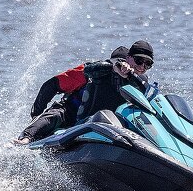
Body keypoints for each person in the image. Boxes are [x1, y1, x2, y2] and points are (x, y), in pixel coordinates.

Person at [13, 40, 155, 145]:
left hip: (105, 126)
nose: (142, 66)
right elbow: (50, 86)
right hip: (70, 116)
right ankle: (25, 139)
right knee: (55, 115)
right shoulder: (93, 71)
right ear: (127, 59)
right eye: (138, 61)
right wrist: (36, 114)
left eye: (147, 64)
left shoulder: (139, 84)